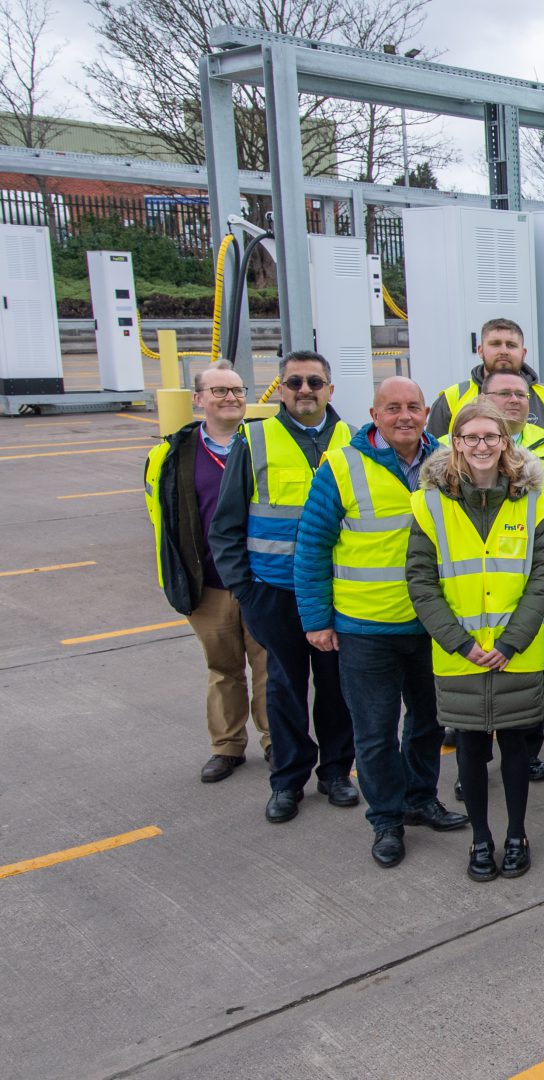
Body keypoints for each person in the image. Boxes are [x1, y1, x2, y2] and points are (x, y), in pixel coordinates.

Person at [296, 376, 468, 866]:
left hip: (432, 624)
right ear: (374, 416)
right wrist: (316, 619)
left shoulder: (446, 462)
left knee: (428, 723)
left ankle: (420, 799)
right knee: (374, 731)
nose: (405, 416)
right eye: (392, 408)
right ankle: (386, 819)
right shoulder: (342, 466)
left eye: (414, 406)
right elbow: (311, 547)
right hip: (365, 627)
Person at [406, 402, 544, 882]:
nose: (481, 446)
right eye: (470, 437)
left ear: (506, 442)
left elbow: (543, 576)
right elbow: (421, 582)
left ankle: (516, 834)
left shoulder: (535, 500)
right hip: (461, 656)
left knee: (517, 749)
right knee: (470, 752)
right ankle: (481, 838)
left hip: (516, 652)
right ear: (455, 443)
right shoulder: (430, 503)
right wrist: (460, 643)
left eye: (491, 437)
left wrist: (511, 641)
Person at [207, 351, 358, 823]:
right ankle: (288, 781)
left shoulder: (354, 439)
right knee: (285, 690)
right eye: (294, 382)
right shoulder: (255, 440)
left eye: (315, 381)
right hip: (273, 593)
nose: (305, 390)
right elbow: (225, 525)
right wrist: (245, 590)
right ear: (281, 389)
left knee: (337, 689)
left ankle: (335, 772)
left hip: (337, 592)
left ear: (330, 389)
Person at [144, 361, 270, 782]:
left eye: (236, 390)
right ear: (198, 400)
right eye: (219, 391)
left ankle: (276, 742)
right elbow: (162, 518)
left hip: (260, 580)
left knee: (271, 667)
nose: (231, 397)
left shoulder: (264, 443)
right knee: (223, 669)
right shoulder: (172, 454)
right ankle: (227, 746)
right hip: (209, 584)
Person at [483, 368, 544, 760]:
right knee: (479, 660)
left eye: (521, 395)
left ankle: (538, 719)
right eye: (503, 393)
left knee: (541, 651)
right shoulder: (454, 445)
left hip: (542, 572)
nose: (514, 400)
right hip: (476, 577)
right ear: (483, 398)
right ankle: (475, 740)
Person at [425, 317, 544, 456]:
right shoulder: (453, 398)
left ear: (523, 352)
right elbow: (433, 453)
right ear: (480, 350)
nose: (503, 351)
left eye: (511, 345)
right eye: (495, 344)